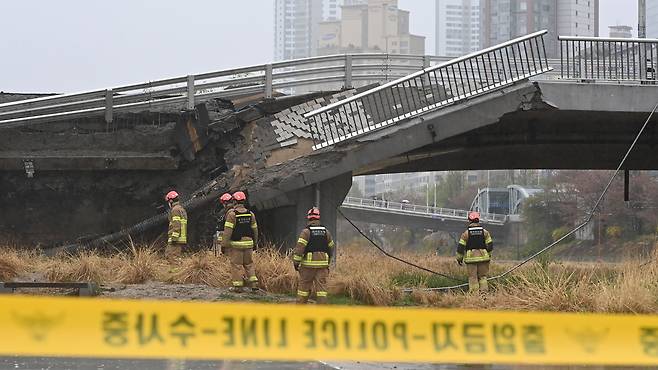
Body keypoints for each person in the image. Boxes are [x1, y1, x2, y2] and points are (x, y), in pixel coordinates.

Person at [293, 207, 335, 304]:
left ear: (308, 218)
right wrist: (328, 260)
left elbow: (299, 249)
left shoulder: (306, 232)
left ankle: (300, 310)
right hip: (322, 266)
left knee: (303, 289)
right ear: (318, 218)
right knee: (321, 291)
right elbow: (331, 247)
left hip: (308, 266)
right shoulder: (326, 232)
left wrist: (296, 263)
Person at [222, 191, 259, 292]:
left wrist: (224, 245)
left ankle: (238, 287)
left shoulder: (232, 215)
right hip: (249, 244)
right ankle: (254, 284)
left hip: (236, 245)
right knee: (249, 264)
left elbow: (227, 232)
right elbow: (255, 230)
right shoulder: (251, 214)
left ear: (234, 201)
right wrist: (255, 243)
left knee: (237, 265)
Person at [456, 211, 493, 293]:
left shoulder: (466, 234)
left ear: (469, 220)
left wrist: (459, 259)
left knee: (473, 277)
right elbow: (490, 245)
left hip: (471, 259)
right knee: (483, 277)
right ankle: (484, 295)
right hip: (484, 258)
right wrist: (488, 255)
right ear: (478, 220)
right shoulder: (485, 232)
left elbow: (460, 248)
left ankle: (474, 295)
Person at [165, 190, 188, 260]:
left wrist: (174, 238)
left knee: (171, 257)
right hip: (181, 238)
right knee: (174, 256)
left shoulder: (175, 210)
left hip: (176, 239)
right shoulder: (181, 209)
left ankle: (175, 270)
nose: (168, 204)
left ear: (171, 201)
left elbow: (176, 225)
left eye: (168, 202)